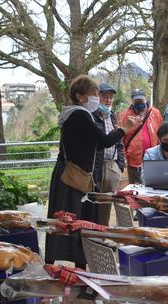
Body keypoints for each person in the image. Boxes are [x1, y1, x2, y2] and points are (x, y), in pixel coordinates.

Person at [46, 75, 137, 267]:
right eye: (94, 94)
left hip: (71, 175)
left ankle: (70, 263)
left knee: (70, 221)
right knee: (73, 221)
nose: (97, 97)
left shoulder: (76, 114)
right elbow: (103, 141)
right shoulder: (79, 115)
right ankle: (69, 264)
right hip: (74, 178)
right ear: (80, 96)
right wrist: (124, 129)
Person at [92, 83, 126, 225]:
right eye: (105, 96)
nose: (108, 100)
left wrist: (120, 165)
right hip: (97, 167)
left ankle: (104, 238)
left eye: (111, 97)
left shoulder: (113, 116)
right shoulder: (92, 116)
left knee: (107, 206)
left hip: (112, 166)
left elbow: (119, 141)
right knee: (94, 204)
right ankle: (93, 238)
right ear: (97, 97)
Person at [121, 89, 163, 184]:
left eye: (141, 100)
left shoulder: (155, 113)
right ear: (132, 102)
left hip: (153, 158)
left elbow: (161, 133)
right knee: (135, 189)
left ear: (145, 99)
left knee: (153, 186)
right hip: (134, 160)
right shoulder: (126, 115)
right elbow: (121, 138)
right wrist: (123, 157)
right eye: (136, 101)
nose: (139, 102)